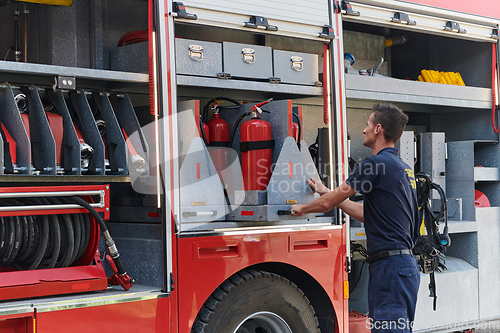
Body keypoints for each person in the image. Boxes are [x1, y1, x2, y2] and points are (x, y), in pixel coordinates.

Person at [291, 103, 420, 332]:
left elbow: (328, 204)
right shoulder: (401, 167)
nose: (364, 130)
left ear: (378, 129)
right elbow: (364, 213)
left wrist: (301, 208)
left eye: (368, 124)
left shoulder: (375, 164)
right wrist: (324, 191)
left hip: (390, 268)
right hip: (401, 267)